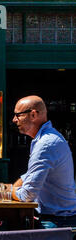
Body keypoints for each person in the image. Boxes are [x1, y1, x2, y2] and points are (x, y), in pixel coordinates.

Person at [12, 95, 76, 228]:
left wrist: (5, 191)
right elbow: (31, 174)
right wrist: (13, 187)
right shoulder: (46, 139)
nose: (14, 120)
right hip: (59, 219)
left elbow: (27, 195)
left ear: (33, 115)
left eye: (18, 115)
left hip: (56, 222)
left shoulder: (45, 144)